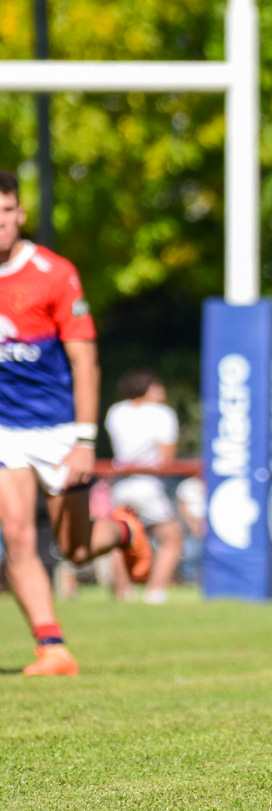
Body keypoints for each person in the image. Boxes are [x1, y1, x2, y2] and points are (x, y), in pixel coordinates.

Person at [0, 170, 151, 676]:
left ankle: (126, 531)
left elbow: (85, 361)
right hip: (5, 433)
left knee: (76, 548)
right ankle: (52, 647)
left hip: (59, 430)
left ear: (20, 214)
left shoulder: (54, 273)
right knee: (18, 535)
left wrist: (85, 440)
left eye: (6, 212)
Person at [104, 369, 183, 604]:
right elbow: (166, 456)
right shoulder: (162, 414)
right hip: (148, 484)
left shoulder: (116, 411)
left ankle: (123, 592)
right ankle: (155, 591)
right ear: (149, 388)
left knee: (121, 539)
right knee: (172, 539)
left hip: (120, 485)